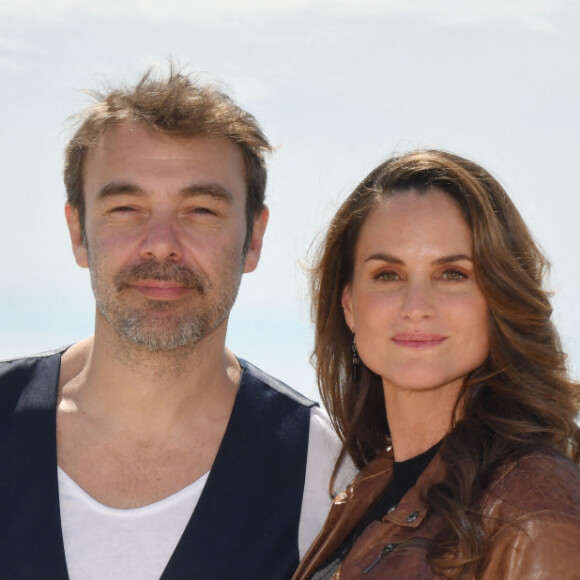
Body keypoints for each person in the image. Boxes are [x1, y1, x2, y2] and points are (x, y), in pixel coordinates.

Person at [0, 66, 353, 580]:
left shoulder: (325, 476)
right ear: (78, 233)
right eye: (125, 207)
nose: (162, 241)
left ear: (253, 238)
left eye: (201, 210)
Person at [293, 150, 580, 580]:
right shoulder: (368, 490)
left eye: (453, 274)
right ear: (349, 304)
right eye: (388, 274)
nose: (416, 306)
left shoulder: (531, 507)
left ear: (498, 298)